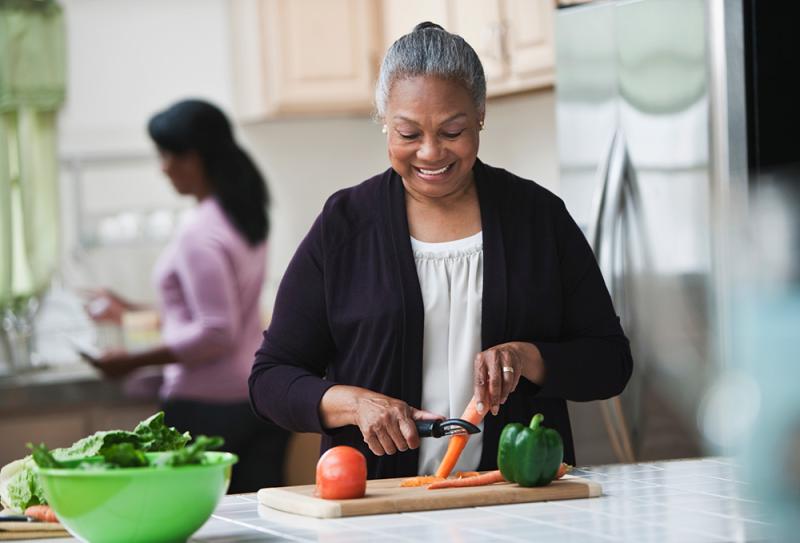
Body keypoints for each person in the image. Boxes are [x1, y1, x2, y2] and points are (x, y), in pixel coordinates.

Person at [249, 22, 633, 479]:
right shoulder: (345, 225)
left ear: (481, 115)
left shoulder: (539, 218)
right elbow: (270, 379)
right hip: (379, 508)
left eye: (452, 131)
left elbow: (610, 362)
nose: (430, 153)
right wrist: (356, 404)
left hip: (516, 501)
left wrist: (527, 358)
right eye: (408, 134)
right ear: (384, 122)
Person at [87, 99, 289, 492]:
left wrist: (132, 362)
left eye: (167, 155)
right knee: (259, 523)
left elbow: (215, 331)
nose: (162, 167)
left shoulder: (200, 233)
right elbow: (214, 309)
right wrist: (129, 311)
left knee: (199, 525)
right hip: (254, 398)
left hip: (208, 406)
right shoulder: (243, 215)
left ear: (193, 158)